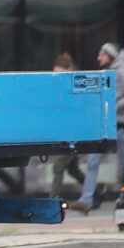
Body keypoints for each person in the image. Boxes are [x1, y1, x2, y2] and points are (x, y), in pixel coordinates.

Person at [69, 43, 124, 214]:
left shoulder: (121, 72)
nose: (99, 57)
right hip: (111, 126)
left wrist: (117, 105)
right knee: (96, 162)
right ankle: (87, 199)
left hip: (118, 126)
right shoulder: (114, 70)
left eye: (102, 54)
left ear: (111, 56)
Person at [48, 52, 86, 198]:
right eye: (55, 73)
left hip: (73, 134)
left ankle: (52, 199)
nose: (58, 77)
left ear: (69, 69)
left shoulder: (75, 87)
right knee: (73, 170)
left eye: (61, 73)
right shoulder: (61, 87)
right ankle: (96, 192)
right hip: (66, 133)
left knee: (58, 167)